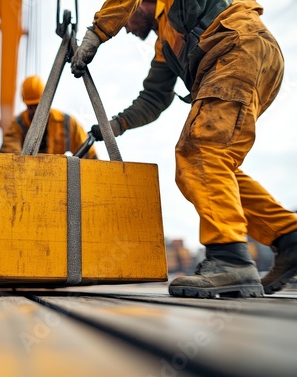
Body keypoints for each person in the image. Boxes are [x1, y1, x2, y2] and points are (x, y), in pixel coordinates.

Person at [71, 0, 297, 298]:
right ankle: (288, 238)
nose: (125, 28)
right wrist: (115, 125)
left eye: (126, 18)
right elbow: (153, 98)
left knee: (199, 153)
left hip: (237, 49)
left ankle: (229, 259)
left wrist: (98, 32)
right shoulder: (165, 45)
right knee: (214, 162)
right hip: (250, 59)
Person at [0, 75, 97, 159]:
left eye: (38, 105)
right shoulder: (18, 124)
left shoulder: (67, 123)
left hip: (57, 177)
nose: (34, 111)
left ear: (47, 102)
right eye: (30, 107)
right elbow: (10, 150)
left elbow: (90, 155)